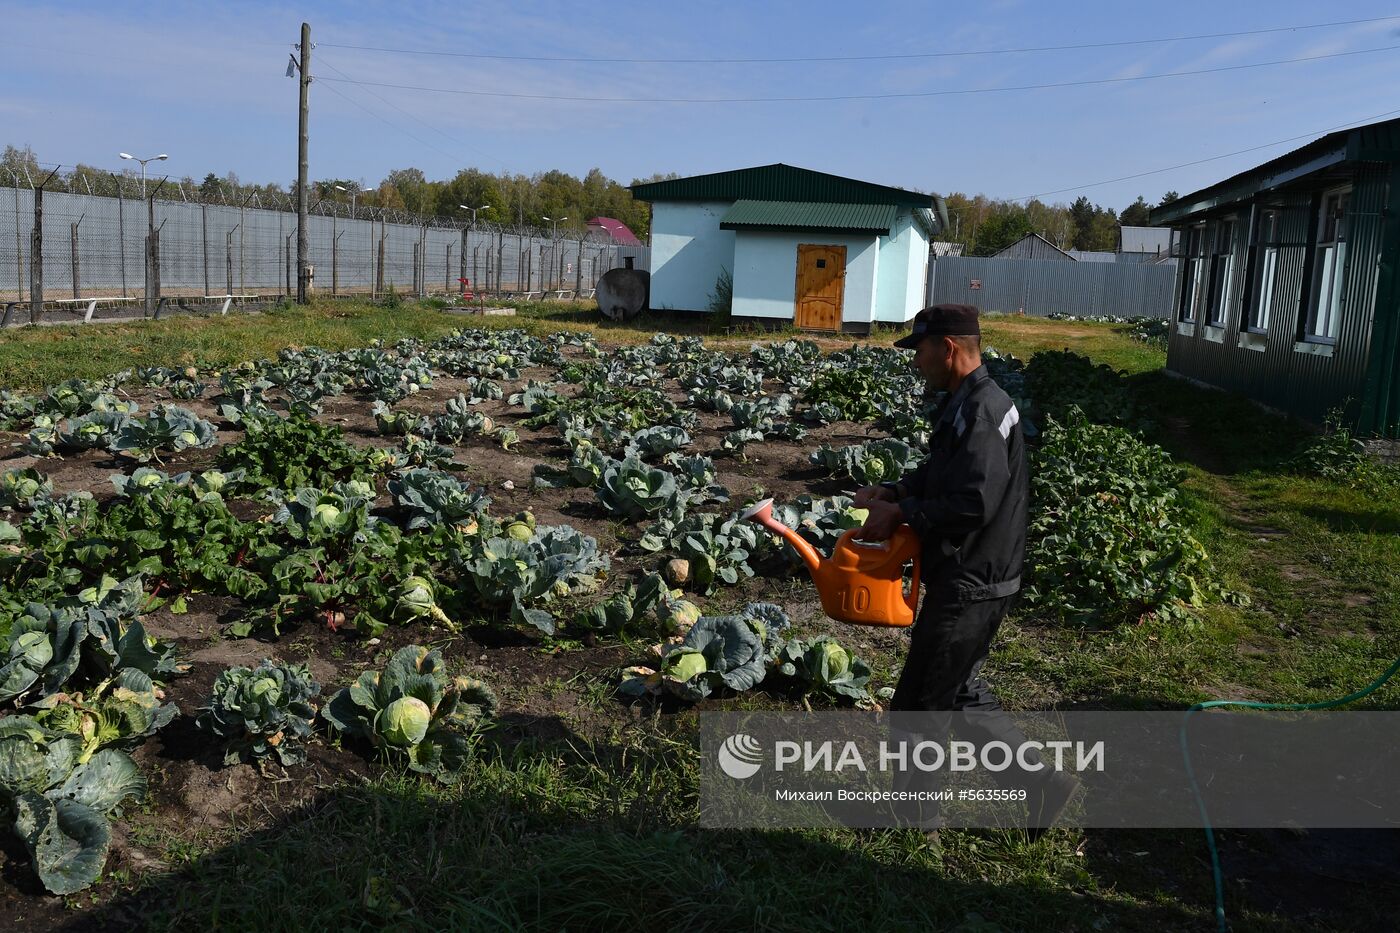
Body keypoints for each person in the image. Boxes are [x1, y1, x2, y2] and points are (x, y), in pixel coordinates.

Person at [852, 303, 1076, 842]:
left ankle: (916, 823)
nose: (917, 362)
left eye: (921, 350)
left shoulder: (980, 411)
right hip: (981, 572)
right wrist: (899, 490)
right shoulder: (971, 402)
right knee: (958, 691)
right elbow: (947, 473)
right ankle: (1040, 786)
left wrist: (903, 515)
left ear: (948, 348)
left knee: (918, 704)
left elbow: (974, 500)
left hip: (972, 579)